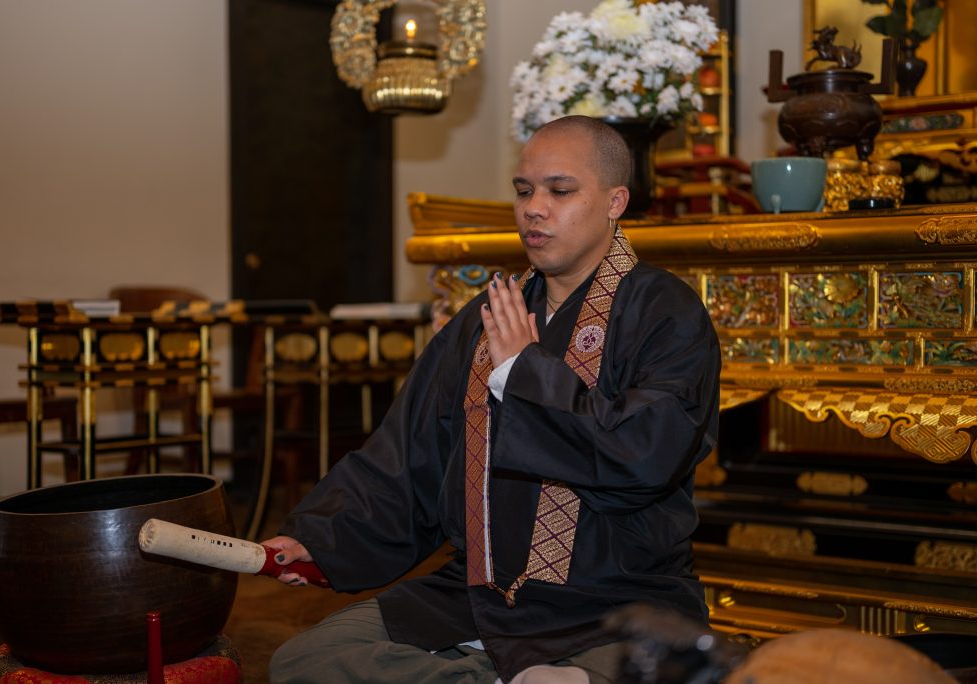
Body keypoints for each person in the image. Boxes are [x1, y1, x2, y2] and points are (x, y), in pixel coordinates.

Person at [264, 115, 721, 684]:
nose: (534, 208)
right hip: (481, 594)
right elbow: (410, 457)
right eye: (524, 190)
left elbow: (644, 452)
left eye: (560, 191)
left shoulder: (666, 312)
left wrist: (522, 371)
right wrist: (321, 538)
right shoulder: (488, 315)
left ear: (615, 201)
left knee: (640, 665)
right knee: (304, 661)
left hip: (614, 600)